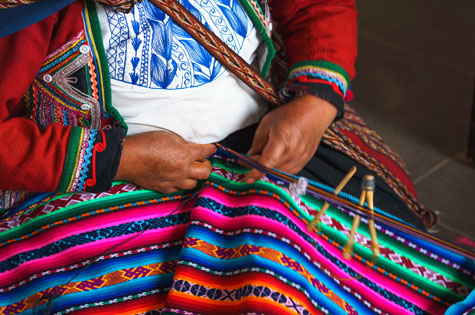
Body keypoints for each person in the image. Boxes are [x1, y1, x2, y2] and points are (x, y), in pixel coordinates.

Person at [1, 1, 472, 314]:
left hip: (269, 129)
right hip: (107, 172)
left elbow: (317, 6)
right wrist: (114, 160)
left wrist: (314, 102)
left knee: (385, 264)